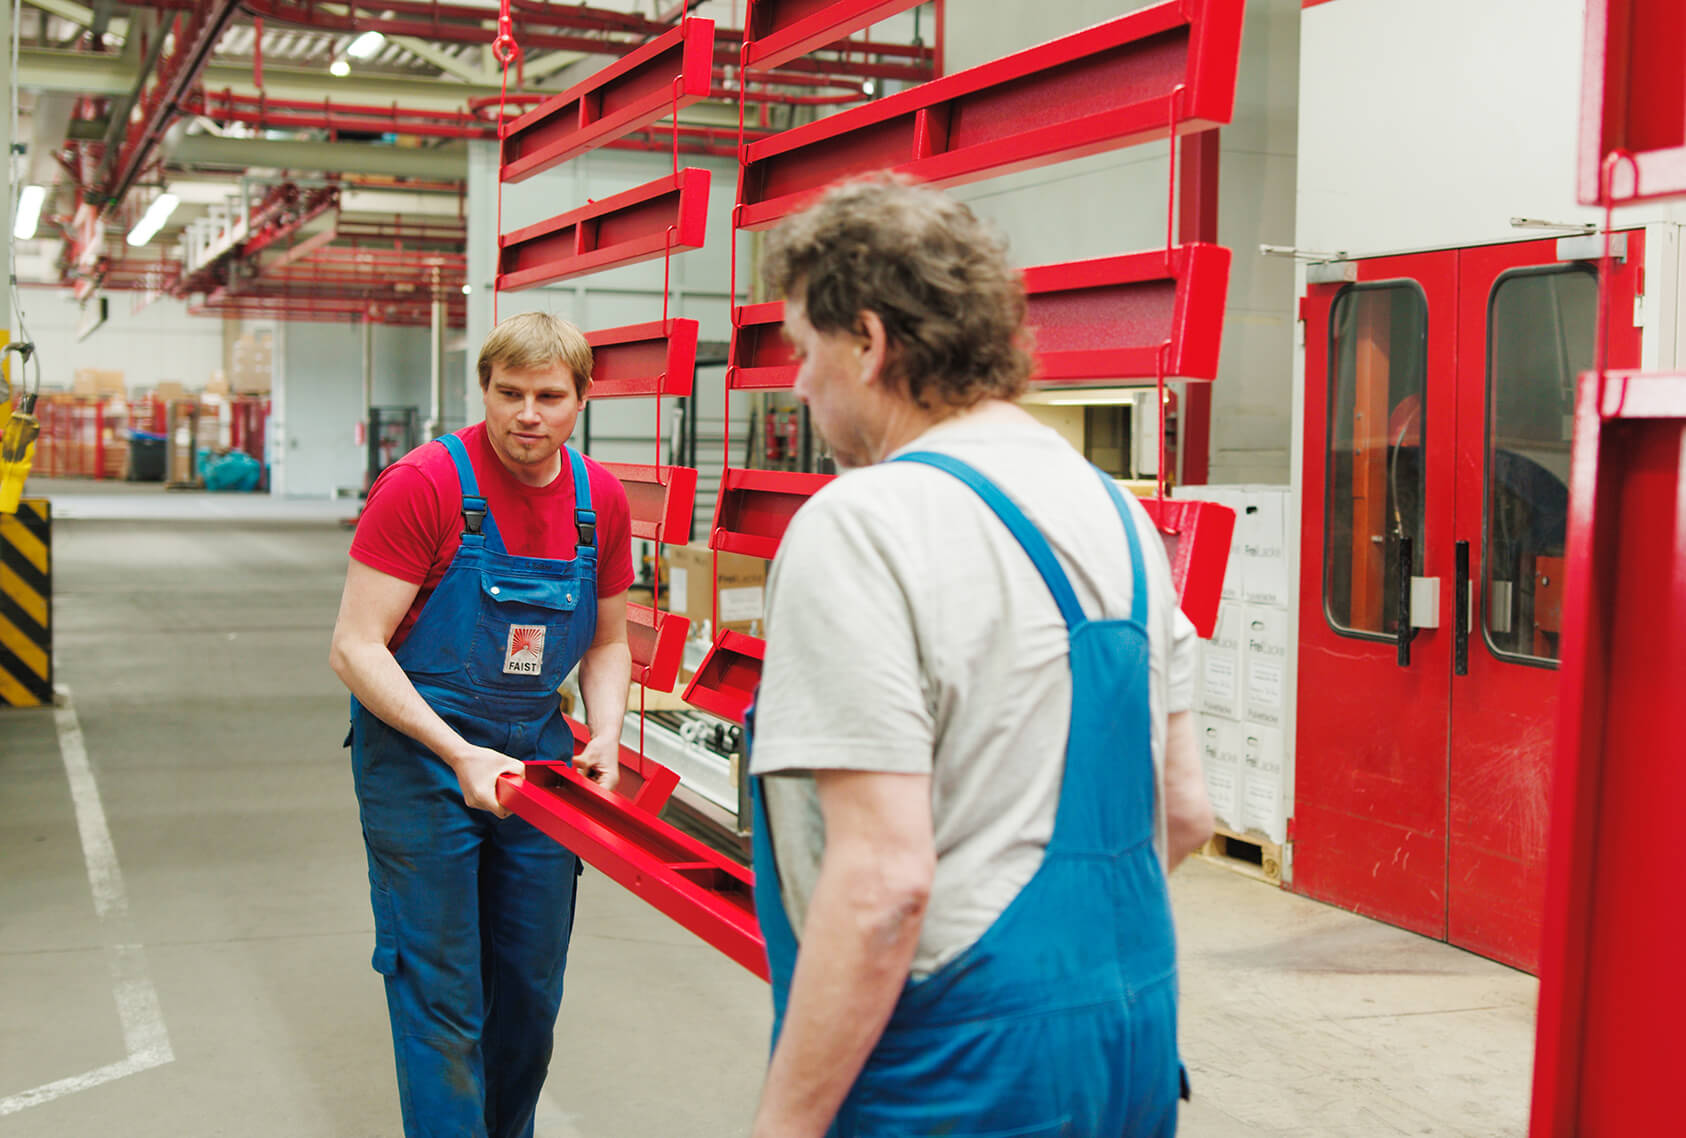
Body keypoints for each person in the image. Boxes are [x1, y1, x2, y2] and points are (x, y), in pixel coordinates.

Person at [746, 177, 1215, 1138]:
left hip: (957, 1061)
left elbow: (882, 885)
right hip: (1129, 1029)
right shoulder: (1115, 511)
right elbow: (1185, 812)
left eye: (803, 348)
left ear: (868, 342)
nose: (798, 384)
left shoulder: (863, 523)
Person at [328, 311, 633, 1138]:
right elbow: (355, 647)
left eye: (549, 397)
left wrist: (605, 731)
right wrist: (458, 751)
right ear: (484, 391)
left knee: (529, 994)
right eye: (509, 394)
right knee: (443, 997)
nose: (527, 415)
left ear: (580, 399)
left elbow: (609, 641)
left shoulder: (599, 501)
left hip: (536, 757)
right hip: (420, 759)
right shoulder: (424, 485)